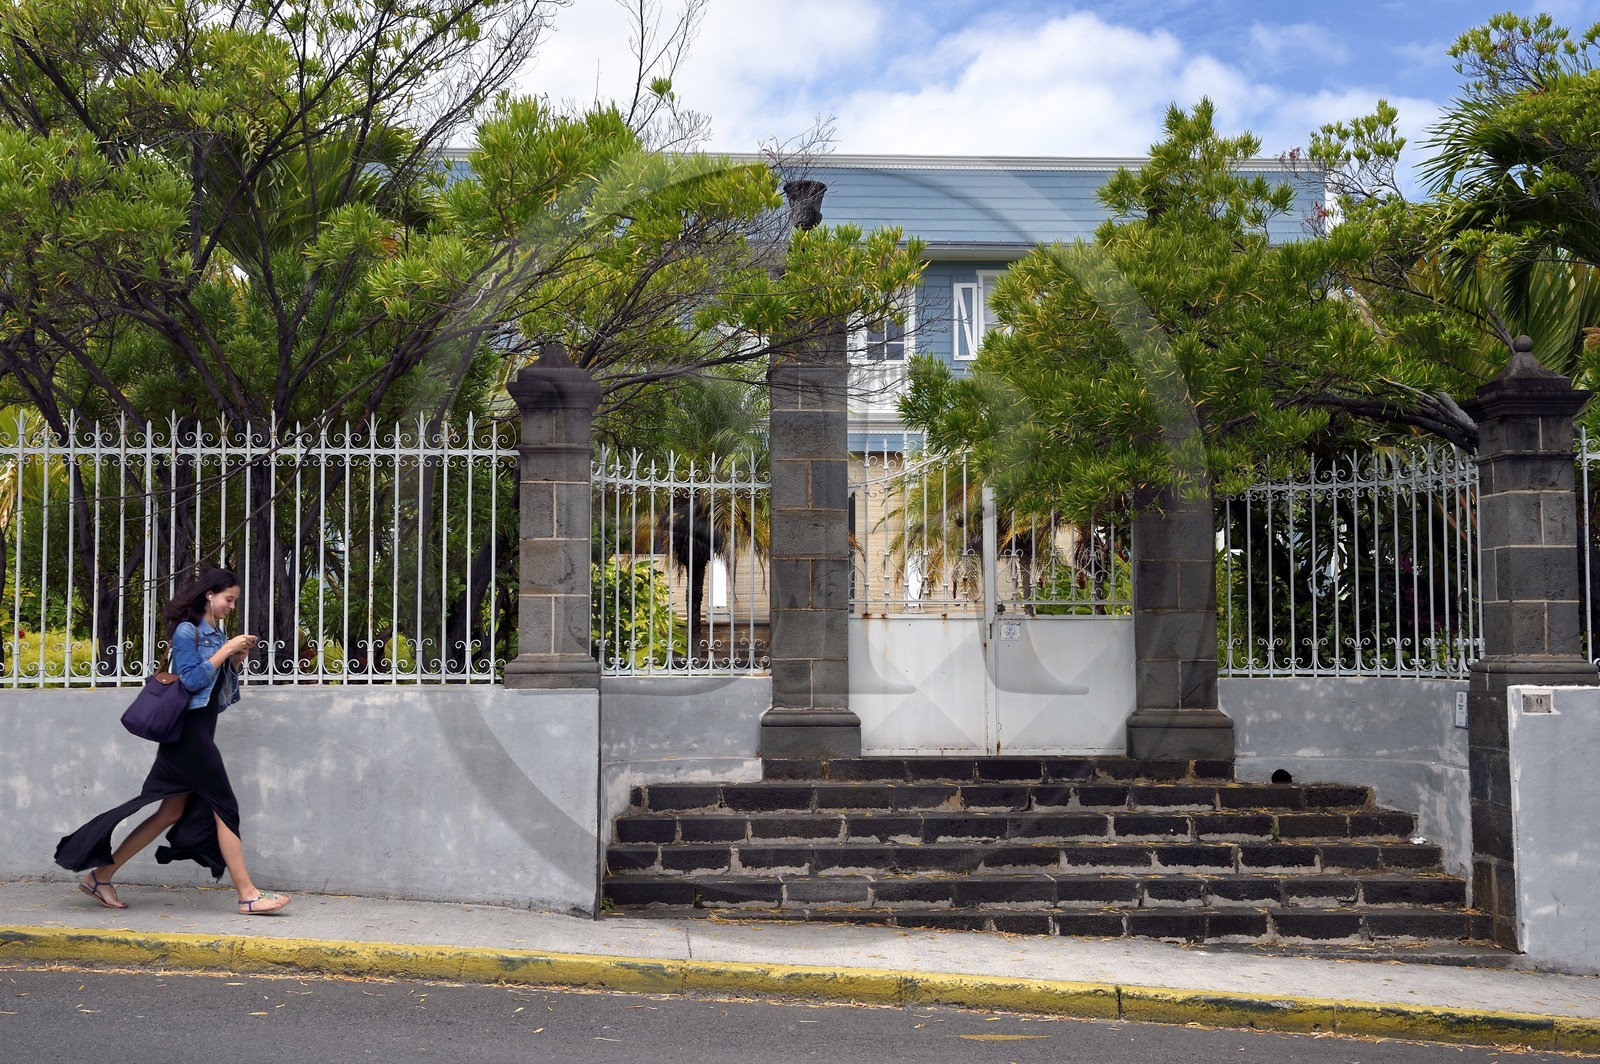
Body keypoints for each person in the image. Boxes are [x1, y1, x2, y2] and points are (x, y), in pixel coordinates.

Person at [54, 567, 291, 915]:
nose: (231, 607)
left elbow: (216, 689)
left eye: (234, 601)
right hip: (188, 734)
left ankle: (99, 877)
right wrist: (226, 649)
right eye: (228, 599)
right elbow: (191, 681)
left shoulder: (216, 634)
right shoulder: (186, 631)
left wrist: (235, 661)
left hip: (199, 730)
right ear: (209, 595)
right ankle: (248, 895)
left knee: (170, 812)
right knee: (225, 807)